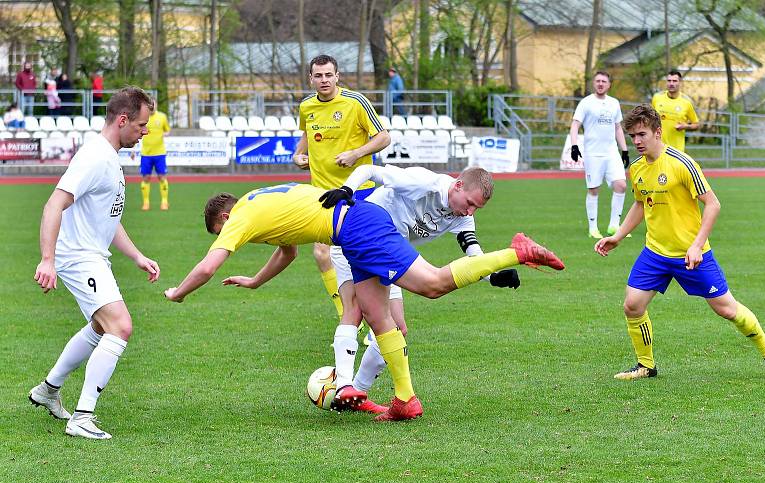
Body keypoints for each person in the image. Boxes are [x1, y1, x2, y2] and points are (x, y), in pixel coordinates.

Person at [163, 183, 563, 421]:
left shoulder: (241, 217)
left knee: (432, 284)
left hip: (359, 224)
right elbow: (287, 252)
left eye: (222, 228)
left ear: (226, 215)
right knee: (377, 317)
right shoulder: (259, 201)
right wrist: (253, 282)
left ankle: (517, 252)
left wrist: (178, 292)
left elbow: (207, 267)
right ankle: (405, 399)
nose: (228, 234)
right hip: (351, 229)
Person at [594, 105, 765, 382]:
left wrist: (697, 245)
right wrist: (617, 236)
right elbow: (641, 203)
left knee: (727, 309)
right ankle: (645, 365)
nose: (636, 141)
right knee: (633, 306)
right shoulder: (637, 168)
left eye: (642, 134)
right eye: (632, 136)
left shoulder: (682, 163)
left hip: (691, 254)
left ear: (657, 132)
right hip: (656, 253)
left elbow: (713, 204)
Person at [322, 165, 521, 415]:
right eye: (470, 203)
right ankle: (343, 385)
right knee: (356, 310)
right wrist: (346, 189)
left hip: (388, 253)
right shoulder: (424, 183)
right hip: (356, 237)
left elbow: (473, 254)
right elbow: (369, 170)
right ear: (458, 185)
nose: (470, 212)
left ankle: (357, 394)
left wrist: (494, 277)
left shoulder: (462, 215)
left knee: (397, 328)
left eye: (476, 208)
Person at [29, 87, 160, 440]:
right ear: (122, 120)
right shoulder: (95, 157)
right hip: (78, 257)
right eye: (142, 124)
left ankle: (48, 389)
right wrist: (47, 260)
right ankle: (82, 417)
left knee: (102, 327)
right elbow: (53, 205)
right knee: (121, 326)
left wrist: (136, 256)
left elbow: (108, 218)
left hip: (92, 255)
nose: (145, 131)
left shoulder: (110, 157)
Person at [292, 54, 391, 324]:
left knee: (362, 256)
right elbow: (306, 136)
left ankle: (382, 311)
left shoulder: (356, 102)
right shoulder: (306, 106)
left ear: (337, 76)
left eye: (328, 75)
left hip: (359, 191)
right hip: (321, 192)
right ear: (310, 78)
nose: (323, 80)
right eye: (318, 76)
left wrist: (356, 153)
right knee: (321, 253)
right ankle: (344, 312)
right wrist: (298, 155)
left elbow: (383, 137)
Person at [569, 71, 630, 239]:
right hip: (593, 153)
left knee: (621, 185)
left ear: (609, 84)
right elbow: (575, 125)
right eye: (598, 81)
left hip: (611, 152)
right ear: (594, 84)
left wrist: (624, 150)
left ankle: (614, 226)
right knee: (594, 189)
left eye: (604, 81)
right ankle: (593, 228)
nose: (601, 84)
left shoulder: (614, 103)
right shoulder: (586, 103)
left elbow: (618, 127)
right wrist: (574, 146)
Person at [651, 70, 699, 152]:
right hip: (658, 148)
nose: (671, 83)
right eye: (669, 81)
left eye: (674, 81)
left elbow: (696, 124)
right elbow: (650, 118)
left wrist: (686, 126)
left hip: (677, 151)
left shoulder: (687, 102)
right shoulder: (657, 98)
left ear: (680, 82)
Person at [139, 101, 171, 211]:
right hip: (146, 153)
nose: (152, 107)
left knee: (162, 177)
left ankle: (164, 202)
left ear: (156, 106)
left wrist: (164, 134)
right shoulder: (142, 118)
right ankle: (146, 203)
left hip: (160, 153)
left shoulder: (162, 117)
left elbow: (167, 130)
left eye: (154, 105)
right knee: (146, 178)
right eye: (150, 105)